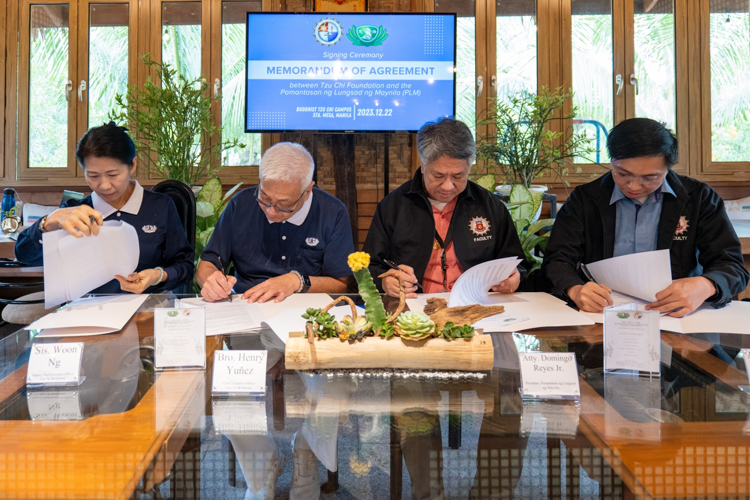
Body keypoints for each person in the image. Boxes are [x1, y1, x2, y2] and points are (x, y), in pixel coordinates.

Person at [543, 118, 748, 317]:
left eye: (650, 177)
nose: (633, 186)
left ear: (668, 168)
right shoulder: (585, 199)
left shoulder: (698, 198)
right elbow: (557, 260)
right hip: (603, 316)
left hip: (676, 317)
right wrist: (575, 290)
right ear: (612, 161)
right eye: (622, 174)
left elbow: (732, 266)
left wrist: (705, 286)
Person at [15, 122, 194, 293]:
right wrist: (49, 222)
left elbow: (184, 266)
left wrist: (158, 275)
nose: (104, 185)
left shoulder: (160, 206)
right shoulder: (75, 211)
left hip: (145, 310)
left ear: (133, 164)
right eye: (93, 176)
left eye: (113, 174)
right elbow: (24, 256)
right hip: (86, 312)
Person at [363, 117, 527, 298]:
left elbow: (517, 264)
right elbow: (369, 267)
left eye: (458, 176)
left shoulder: (490, 206)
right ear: (423, 166)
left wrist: (515, 277)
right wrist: (385, 282)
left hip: (477, 304)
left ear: (469, 168)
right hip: (414, 307)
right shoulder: (394, 207)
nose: (448, 186)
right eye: (438, 175)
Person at [197, 142, 354, 303]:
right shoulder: (240, 204)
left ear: (307, 191)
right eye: (264, 198)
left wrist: (296, 281)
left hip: (306, 308)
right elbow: (207, 263)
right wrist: (211, 281)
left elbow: (340, 285)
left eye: (284, 205)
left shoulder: (332, 212)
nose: (271, 211)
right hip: (246, 304)